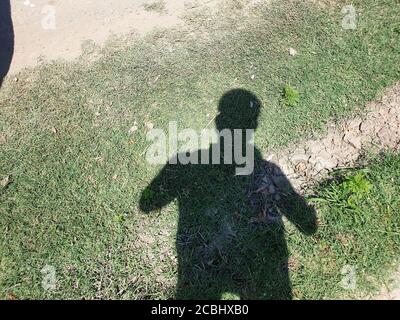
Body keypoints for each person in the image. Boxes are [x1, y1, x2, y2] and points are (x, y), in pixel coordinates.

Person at [140, 89, 317, 299]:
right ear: (254, 126)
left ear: (219, 122)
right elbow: (308, 226)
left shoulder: (187, 162)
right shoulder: (269, 172)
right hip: (260, 264)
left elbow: (147, 204)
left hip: (204, 261)